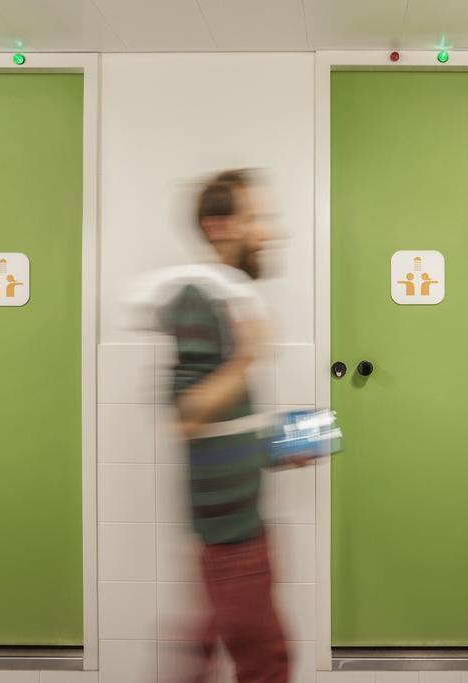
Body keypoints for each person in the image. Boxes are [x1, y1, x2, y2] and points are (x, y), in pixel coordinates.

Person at [169, 169, 296, 683]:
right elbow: (187, 413)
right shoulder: (200, 300)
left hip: (239, 527)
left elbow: (217, 419)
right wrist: (248, 356)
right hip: (231, 536)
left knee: (214, 655)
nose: (269, 232)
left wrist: (276, 445)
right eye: (255, 219)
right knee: (267, 664)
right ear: (219, 227)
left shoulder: (226, 300)